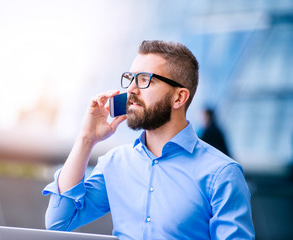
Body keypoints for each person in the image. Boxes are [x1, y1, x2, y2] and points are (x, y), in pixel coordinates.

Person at [42, 40, 255, 239]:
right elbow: (58, 222)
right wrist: (87, 139)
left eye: (144, 80)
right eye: (131, 79)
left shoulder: (221, 174)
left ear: (179, 97)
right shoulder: (115, 163)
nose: (131, 90)